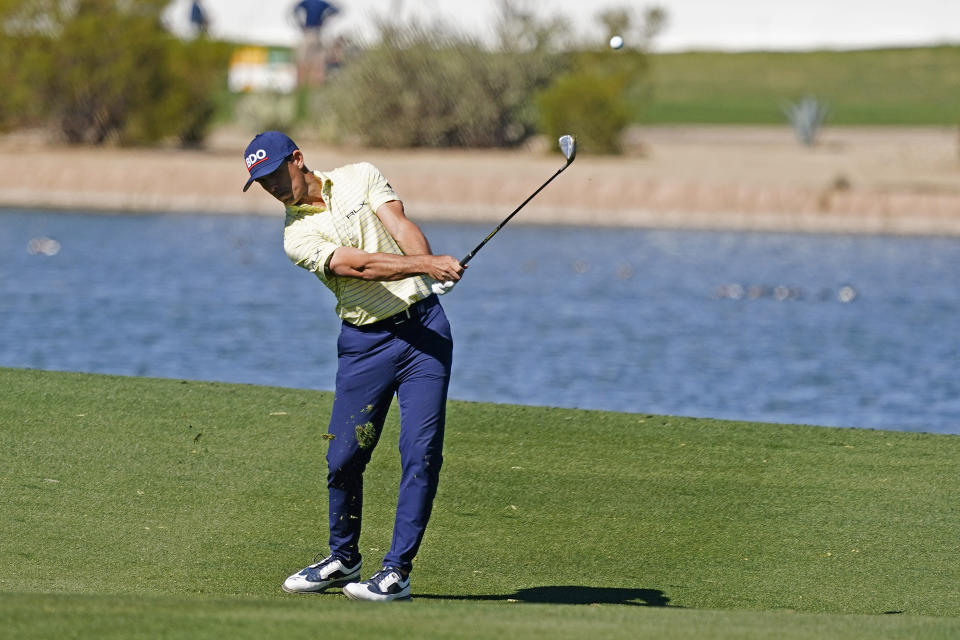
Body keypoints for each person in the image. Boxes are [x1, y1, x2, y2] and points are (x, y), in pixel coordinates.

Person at [242, 131, 464, 601]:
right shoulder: (296, 236)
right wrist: (427, 264)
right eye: (261, 183)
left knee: (420, 453)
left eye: (275, 174)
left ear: (298, 159)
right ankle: (344, 558)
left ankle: (396, 571)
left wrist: (423, 264)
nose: (272, 188)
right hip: (365, 345)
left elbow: (400, 225)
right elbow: (358, 267)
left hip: (424, 334)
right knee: (343, 456)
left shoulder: (360, 177)